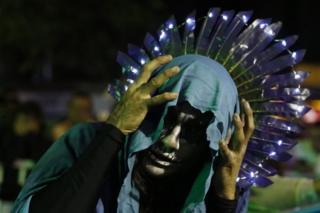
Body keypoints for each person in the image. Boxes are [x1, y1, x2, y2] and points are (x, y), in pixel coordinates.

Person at [12, 55, 254, 213]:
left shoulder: (226, 185)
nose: (170, 141)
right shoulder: (85, 142)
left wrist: (223, 199)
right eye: (165, 119)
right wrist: (113, 132)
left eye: (192, 132)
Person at [0, 101, 50, 213]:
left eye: (31, 121)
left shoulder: (46, 147)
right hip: (6, 202)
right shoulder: (5, 144)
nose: (26, 126)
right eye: (23, 121)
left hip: (33, 203)